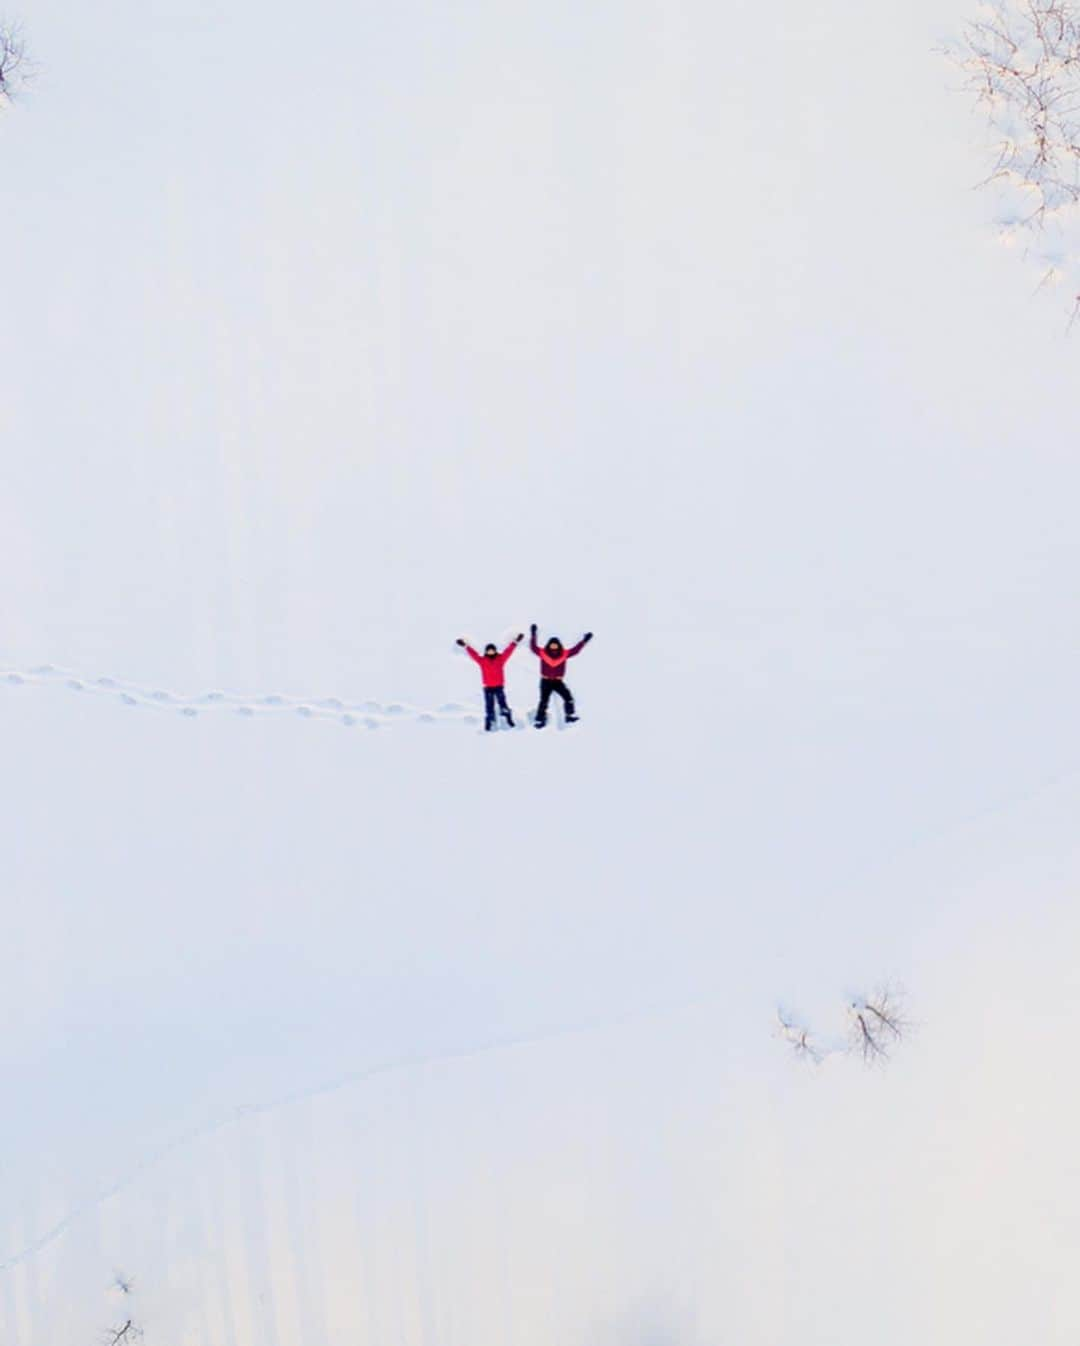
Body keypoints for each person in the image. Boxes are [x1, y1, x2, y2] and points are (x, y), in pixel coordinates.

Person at [529, 624, 593, 728]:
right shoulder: (543, 653)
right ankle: (540, 720)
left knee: (568, 698)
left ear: (559, 645)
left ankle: (569, 715)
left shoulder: (564, 654)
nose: (553, 646)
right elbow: (533, 647)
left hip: (558, 682)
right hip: (545, 681)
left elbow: (576, 650)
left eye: (555, 644)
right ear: (548, 645)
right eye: (552, 644)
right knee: (544, 701)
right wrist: (533, 633)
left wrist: (585, 640)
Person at [456, 634, 524, 730]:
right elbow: (474, 655)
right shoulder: (482, 661)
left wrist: (515, 642)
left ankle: (508, 718)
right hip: (488, 688)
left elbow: (508, 652)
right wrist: (465, 646)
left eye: (492, 650)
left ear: (495, 650)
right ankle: (489, 721)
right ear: (486, 651)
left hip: (499, 687)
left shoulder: (500, 659)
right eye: (489, 650)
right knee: (489, 706)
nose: (491, 651)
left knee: (503, 704)